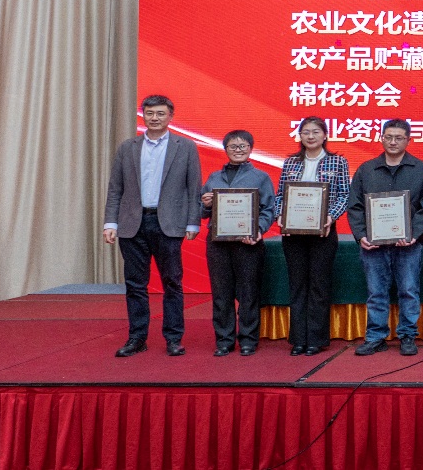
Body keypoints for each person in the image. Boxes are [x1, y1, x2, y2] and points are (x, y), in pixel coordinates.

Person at [102, 95, 202, 358]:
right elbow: (115, 189)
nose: (154, 118)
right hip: (132, 223)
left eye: (160, 113)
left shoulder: (186, 147)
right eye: (149, 113)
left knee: (172, 282)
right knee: (135, 284)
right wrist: (110, 222)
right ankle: (137, 338)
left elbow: (194, 188)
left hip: (168, 223)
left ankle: (173, 338)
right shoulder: (128, 147)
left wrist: (193, 221)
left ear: (170, 116)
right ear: (143, 116)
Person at [346, 119, 423, 356]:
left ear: (408, 140)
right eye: (388, 137)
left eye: (398, 138)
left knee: (408, 290)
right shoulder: (366, 169)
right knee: (376, 292)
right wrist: (361, 235)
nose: (393, 142)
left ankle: (407, 335)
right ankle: (376, 337)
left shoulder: (422, 169)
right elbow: (355, 206)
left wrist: (412, 234)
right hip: (373, 245)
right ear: (381, 139)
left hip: (409, 244)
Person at [274, 116, 350, 356]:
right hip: (293, 233)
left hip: (323, 232)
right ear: (300, 135)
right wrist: (280, 215)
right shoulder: (290, 162)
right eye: (306, 132)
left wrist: (331, 216)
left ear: (325, 135)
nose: (310, 136)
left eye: (316, 132)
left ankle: (316, 339)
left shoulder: (338, 161)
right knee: (297, 285)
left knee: (319, 284)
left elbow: (345, 195)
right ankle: (298, 339)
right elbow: (280, 195)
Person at [200, 130, 276, 356]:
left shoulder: (261, 177)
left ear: (251, 149)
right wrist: (205, 204)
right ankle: (224, 340)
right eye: (233, 146)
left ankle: (248, 339)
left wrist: (258, 230)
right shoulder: (214, 177)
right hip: (218, 243)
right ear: (225, 150)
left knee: (248, 293)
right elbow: (202, 212)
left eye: (243, 146)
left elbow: (269, 210)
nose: (238, 150)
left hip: (248, 242)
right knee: (221, 293)